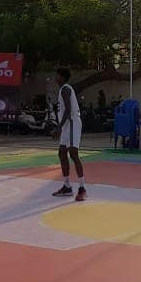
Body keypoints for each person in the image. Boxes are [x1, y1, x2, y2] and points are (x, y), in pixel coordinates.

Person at [51, 68, 87, 201]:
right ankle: (67, 186)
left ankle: (82, 188)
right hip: (67, 124)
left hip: (72, 123)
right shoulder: (63, 89)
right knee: (62, 153)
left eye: (57, 75)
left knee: (73, 153)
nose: (56, 77)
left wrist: (58, 127)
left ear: (62, 77)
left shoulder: (65, 89)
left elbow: (68, 110)